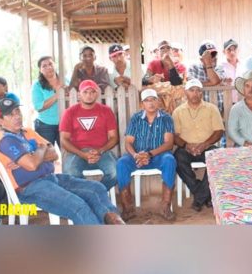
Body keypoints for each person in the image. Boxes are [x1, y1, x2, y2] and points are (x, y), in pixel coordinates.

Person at [0, 98, 123, 225]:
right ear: (0, 120)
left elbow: (53, 153)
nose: (17, 116)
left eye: (17, 111)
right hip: (31, 188)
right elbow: (32, 165)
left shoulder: (27, 132)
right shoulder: (5, 140)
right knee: (78, 206)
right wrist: (41, 149)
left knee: (96, 188)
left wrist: (33, 155)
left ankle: (116, 223)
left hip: (51, 179)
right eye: (10, 115)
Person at [116, 88, 177, 222]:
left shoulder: (166, 118)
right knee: (121, 163)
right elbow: (128, 143)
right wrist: (136, 155)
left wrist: (149, 154)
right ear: (142, 104)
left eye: (153, 99)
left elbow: (169, 143)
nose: (151, 103)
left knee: (169, 160)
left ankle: (165, 206)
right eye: (147, 100)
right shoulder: (136, 118)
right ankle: (128, 208)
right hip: (137, 156)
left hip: (158, 155)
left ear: (158, 102)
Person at [173, 79, 224, 211]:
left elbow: (219, 131)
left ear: (202, 93)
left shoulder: (211, 109)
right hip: (186, 148)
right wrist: (186, 146)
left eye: (198, 90)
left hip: (207, 146)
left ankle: (199, 198)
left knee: (218, 158)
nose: (195, 93)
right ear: (186, 92)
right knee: (177, 158)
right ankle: (205, 196)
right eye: (192, 90)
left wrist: (205, 144)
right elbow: (175, 136)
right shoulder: (178, 111)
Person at [59, 80, 119, 190]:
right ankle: (89, 195)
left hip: (101, 152)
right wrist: (82, 154)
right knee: (70, 173)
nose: (89, 95)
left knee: (115, 172)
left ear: (97, 94)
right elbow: (64, 140)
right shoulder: (70, 112)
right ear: (79, 94)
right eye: (85, 92)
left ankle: (95, 192)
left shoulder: (106, 111)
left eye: (92, 92)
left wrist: (100, 150)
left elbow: (114, 138)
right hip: (77, 152)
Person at [31, 56, 65, 145]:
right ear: (40, 70)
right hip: (45, 126)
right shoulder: (37, 85)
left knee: (67, 154)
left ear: (55, 65)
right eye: (44, 66)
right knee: (47, 155)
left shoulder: (65, 81)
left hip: (65, 123)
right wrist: (57, 95)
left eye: (50, 64)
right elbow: (38, 107)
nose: (48, 67)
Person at [186, 41, 226, 110]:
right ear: (201, 59)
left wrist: (208, 64)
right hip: (199, 111)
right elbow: (193, 85)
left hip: (218, 110)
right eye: (208, 56)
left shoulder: (219, 67)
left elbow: (215, 81)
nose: (212, 58)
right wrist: (213, 84)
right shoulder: (193, 68)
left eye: (214, 54)